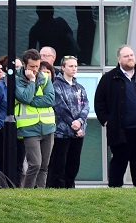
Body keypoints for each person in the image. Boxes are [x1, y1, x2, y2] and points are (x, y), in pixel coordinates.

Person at [94, 45, 136, 187]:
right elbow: (99, 102)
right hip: (120, 130)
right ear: (119, 59)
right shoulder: (109, 78)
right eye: (126, 56)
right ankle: (114, 192)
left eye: (131, 55)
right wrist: (107, 121)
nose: (130, 58)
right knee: (119, 162)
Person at [14, 49, 55, 188]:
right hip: (29, 128)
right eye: (32, 66)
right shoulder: (16, 80)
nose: (35, 69)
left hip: (48, 126)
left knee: (44, 165)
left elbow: (50, 99)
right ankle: (28, 193)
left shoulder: (45, 77)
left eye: (37, 66)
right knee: (35, 164)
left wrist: (31, 100)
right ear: (25, 65)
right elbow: (24, 97)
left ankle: (40, 195)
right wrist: (31, 81)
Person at [49, 55, 87, 188]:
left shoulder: (79, 87)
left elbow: (85, 106)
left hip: (78, 132)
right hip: (62, 132)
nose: (74, 69)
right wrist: (73, 123)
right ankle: (58, 187)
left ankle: (70, 186)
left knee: (74, 162)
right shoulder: (56, 86)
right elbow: (60, 107)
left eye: (75, 66)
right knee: (60, 163)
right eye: (70, 66)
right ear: (63, 67)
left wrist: (80, 122)